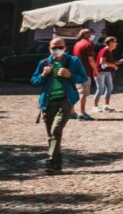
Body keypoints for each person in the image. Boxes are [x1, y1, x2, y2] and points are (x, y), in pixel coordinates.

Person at [31, 37, 88, 174]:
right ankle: (57, 164)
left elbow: (83, 77)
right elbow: (34, 81)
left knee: (56, 130)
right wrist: (43, 75)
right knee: (51, 134)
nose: (57, 50)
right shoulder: (44, 63)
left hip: (66, 100)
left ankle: (50, 162)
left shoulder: (73, 61)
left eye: (60, 47)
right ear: (49, 49)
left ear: (65, 48)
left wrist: (70, 75)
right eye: (54, 47)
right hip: (48, 102)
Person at [71, 29, 98, 120]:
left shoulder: (77, 44)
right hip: (85, 72)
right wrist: (95, 69)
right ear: (86, 34)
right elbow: (91, 60)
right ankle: (82, 113)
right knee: (83, 93)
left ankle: (71, 111)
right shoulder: (88, 44)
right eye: (90, 33)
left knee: (76, 92)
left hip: (76, 71)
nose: (92, 35)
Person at [92, 36, 120, 113]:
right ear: (111, 43)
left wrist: (115, 63)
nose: (116, 43)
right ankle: (95, 106)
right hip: (100, 72)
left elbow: (107, 62)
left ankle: (106, 106)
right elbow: (102, 62)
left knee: (110, 88)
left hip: (107, 72)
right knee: (100, 89)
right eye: (115, 42)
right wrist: (113, 65)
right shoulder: (105, 50)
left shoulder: (109, 51)